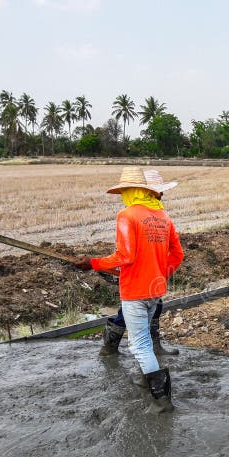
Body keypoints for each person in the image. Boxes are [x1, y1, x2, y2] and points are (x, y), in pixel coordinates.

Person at [75, 166, 184, 413]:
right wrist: (160, 272)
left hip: (134, 291)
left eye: (125, 191)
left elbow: (125, 255)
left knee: (140, 345)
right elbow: (178, 254)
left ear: (132, 191)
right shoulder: (164, 218)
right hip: (155, 289)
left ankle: (161, 400)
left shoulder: (127, 216)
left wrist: (92, 263)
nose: (123, 196)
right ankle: (147, 379)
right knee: (145, 336)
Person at [98, 170, 180, 358]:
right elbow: (129, 251)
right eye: (159, 191)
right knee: (132, 311)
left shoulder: (156, 213)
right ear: (148, 192)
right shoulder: (135, 215)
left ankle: (151, 347)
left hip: (151, 274)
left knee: (152, 306)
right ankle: (112, 347)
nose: (162, 194)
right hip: (138, 273)